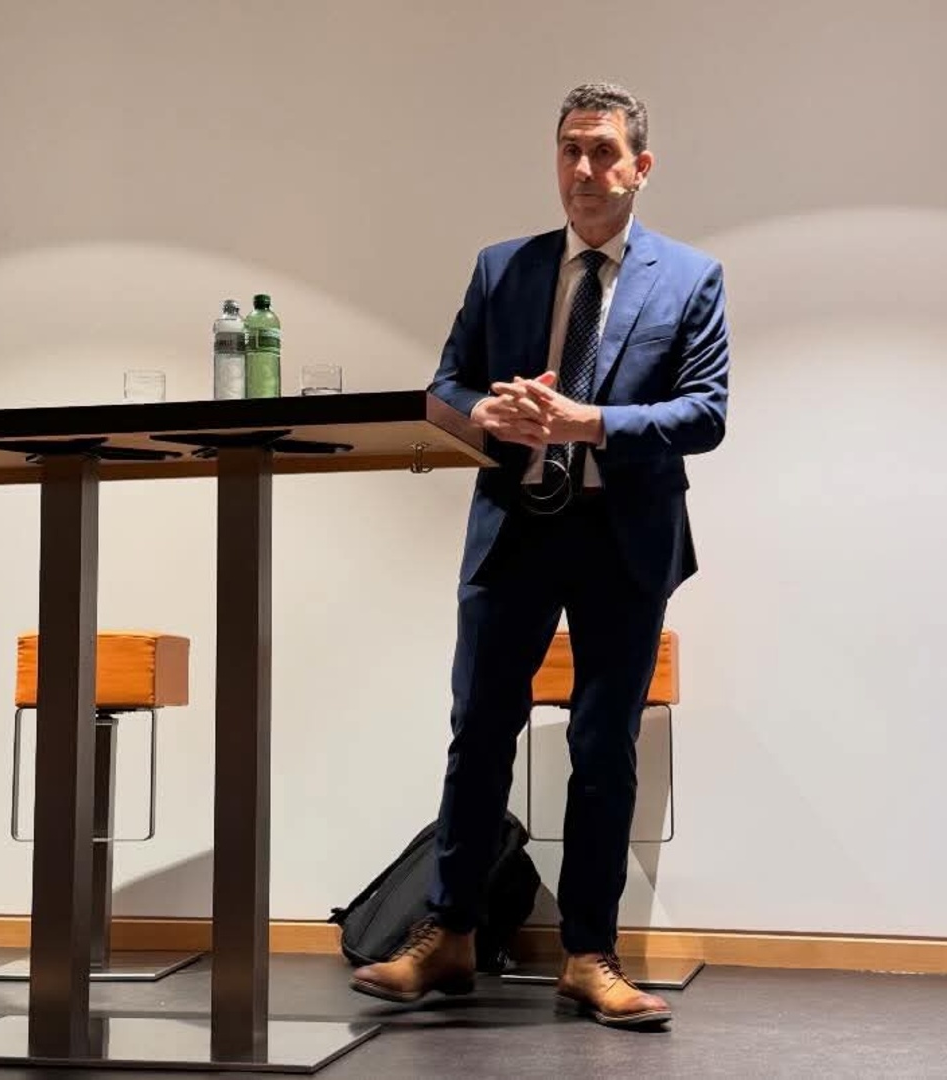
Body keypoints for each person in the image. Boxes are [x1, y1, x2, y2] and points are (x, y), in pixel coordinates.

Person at [351, 83, 730, 1029]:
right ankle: (449, 934)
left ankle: (589, 955)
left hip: (623, 538)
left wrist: (589, 422)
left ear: (641, 167)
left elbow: (706, 413)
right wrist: (482, 410)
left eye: (603, 152)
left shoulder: (691, 278)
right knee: (479, 732)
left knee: (603, 747)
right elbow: (446, 384)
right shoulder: (503, 267)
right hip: (514, 528)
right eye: (569, 150)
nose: (584, 170)